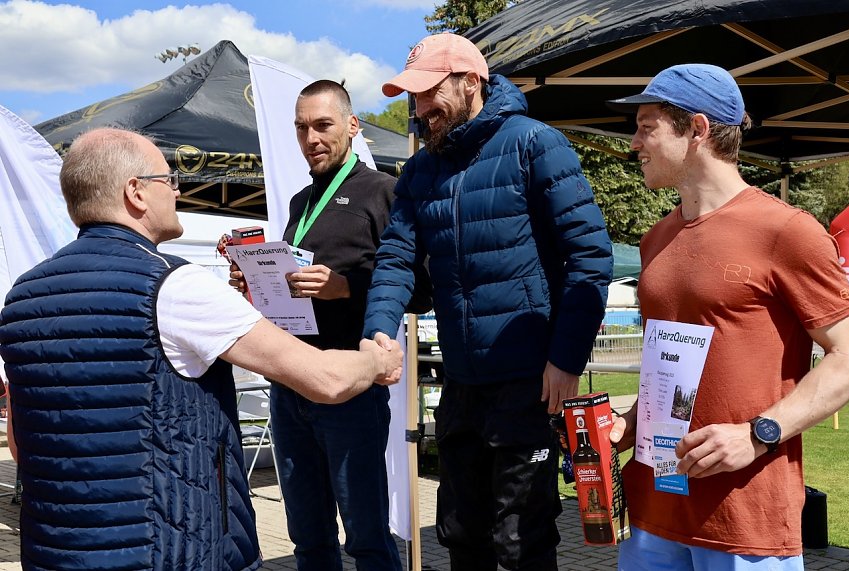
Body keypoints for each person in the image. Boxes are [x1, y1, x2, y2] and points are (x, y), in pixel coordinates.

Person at [0, 127, 404, 571]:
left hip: (56, 550)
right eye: (167, 179)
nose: (177, 190)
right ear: (135, 192)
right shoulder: (174, 285)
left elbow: (21, 443)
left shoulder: (24, 295)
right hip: (168, 548)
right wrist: (376, 360)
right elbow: (325, 379)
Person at [363, 33, 613, 571]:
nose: (420, 108)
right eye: (414, 96)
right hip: (461, 386)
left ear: (471, 82)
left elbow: (590, 256)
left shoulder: (535, 143)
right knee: (459, 535)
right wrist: (378, 332)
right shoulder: (420, 171)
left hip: (530, 382)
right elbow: (396, 259)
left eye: (430, 92)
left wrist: (567, 359)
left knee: (521, 541)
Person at [604, 64, 849, 570]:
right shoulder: (656, 239)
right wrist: (627, 425)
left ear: (697, 130)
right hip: (654, 512)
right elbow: (673, 368)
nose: (634, 142)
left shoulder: (785, 230)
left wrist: (757, 433)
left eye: (647, 126)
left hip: (744, 522)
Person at [230, 79, 419, 571]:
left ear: (353, 126)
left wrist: (346, 287)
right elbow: (291, 291)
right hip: (292, 383)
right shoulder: (298, 203)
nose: (311, 138)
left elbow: (421, 287)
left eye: (322, 125)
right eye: (300, 128)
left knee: (367, 536)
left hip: (350, 389)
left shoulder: (385, 192)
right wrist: (254, 278)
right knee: (308, 537)